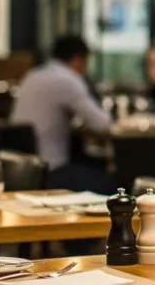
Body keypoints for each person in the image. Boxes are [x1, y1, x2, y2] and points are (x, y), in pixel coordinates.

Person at [9, 35, 115, 194]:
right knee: (117, 185)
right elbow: (102, 124)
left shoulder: (32, 75)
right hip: (51, 171)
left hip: (21, 172)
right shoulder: (67, 79)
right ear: (79, 59)